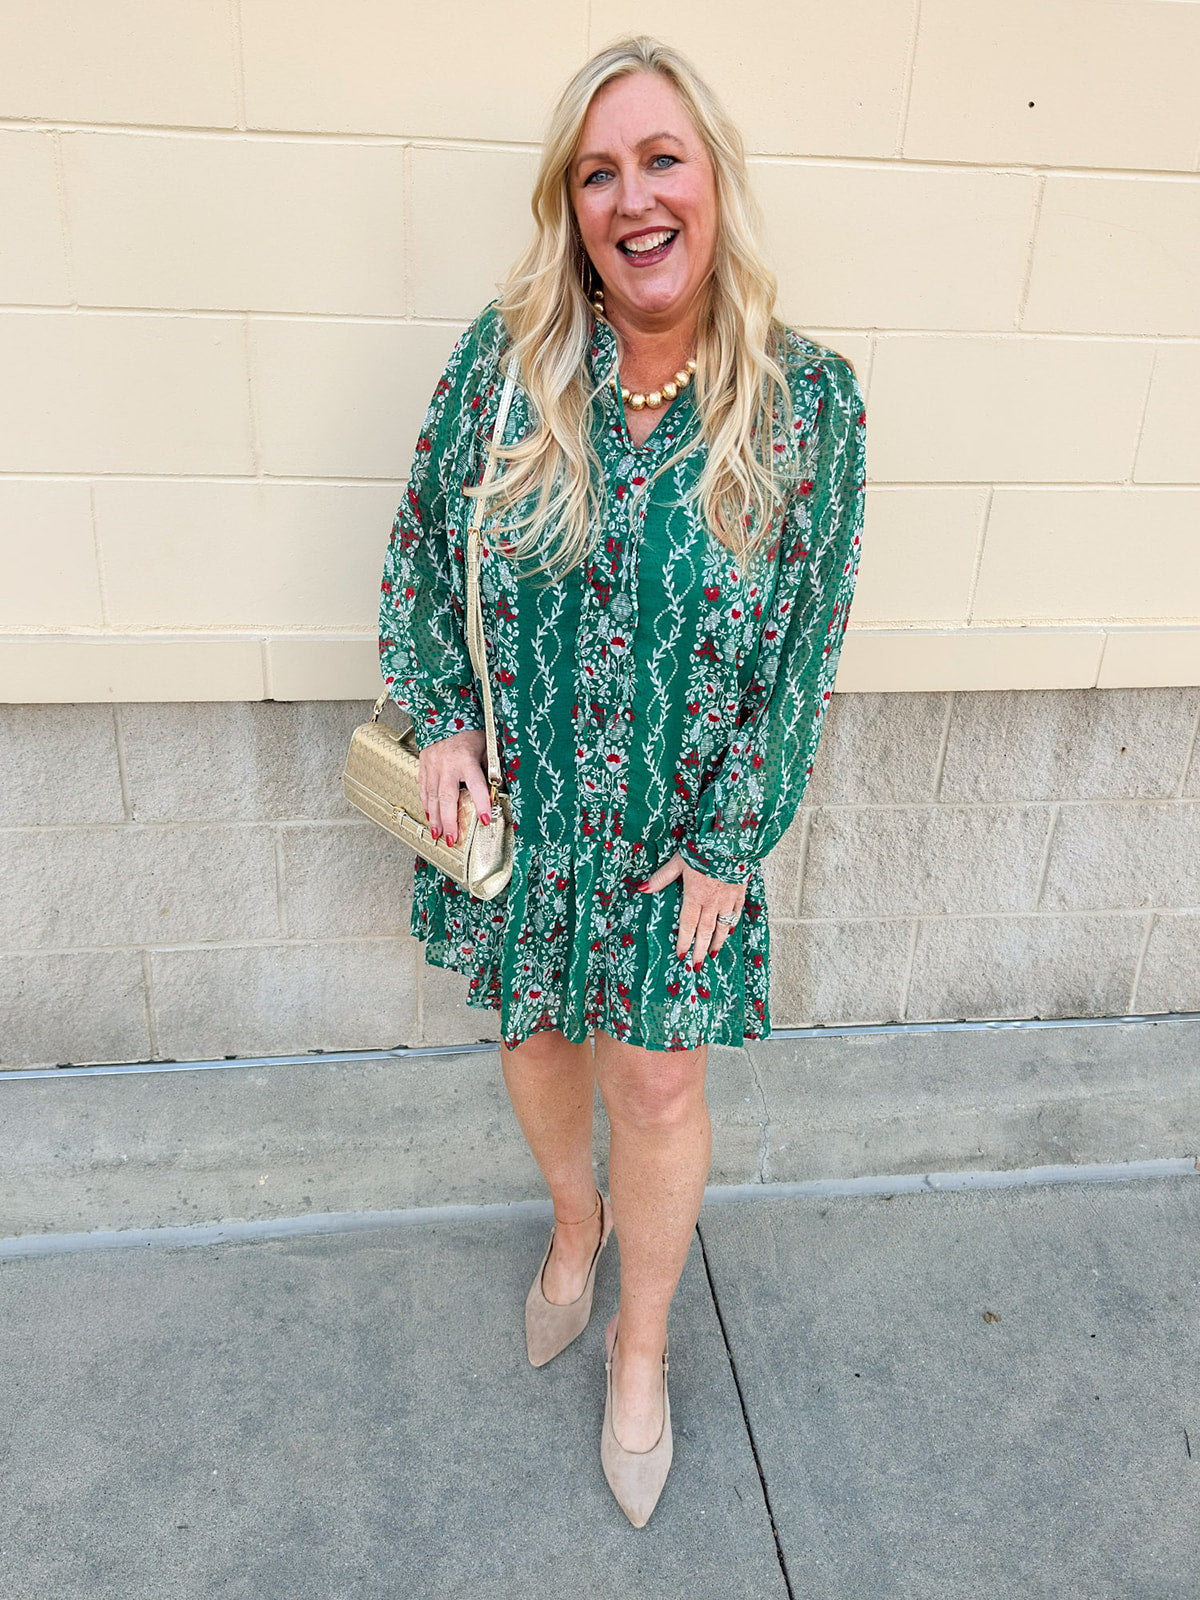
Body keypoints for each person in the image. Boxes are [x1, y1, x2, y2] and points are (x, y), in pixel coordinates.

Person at [378, 35, 865, 1527]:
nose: (631, 197)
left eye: (660, 161)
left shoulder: (806, 407)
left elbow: (807, 637)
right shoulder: (509, 366)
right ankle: (571, 1228)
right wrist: (445, 720)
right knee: (535, 1042)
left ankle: (640, 1346)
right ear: (570, 204)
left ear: (711, 183)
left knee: (656, 1078)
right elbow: (416, 552)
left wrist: (733, 840)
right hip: (529, 820)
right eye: (599, 172)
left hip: (676, 843)